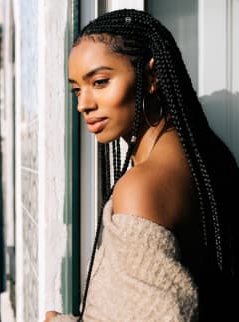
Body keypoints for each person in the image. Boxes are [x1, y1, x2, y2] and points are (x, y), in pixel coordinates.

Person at [44, 9, 239, 322]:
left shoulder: (141, 188)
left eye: (100, 81)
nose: (84, 104)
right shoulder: (203, 153)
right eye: (77, 89)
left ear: (151, 76)